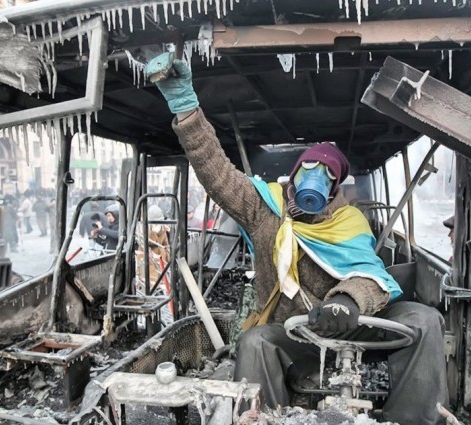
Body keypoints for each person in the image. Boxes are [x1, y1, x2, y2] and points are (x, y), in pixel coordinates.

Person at [147, 54, 448, 424]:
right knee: (254, 342)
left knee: (424, 319)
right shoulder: (264, 208)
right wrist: (187, 112)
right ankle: (263, 418)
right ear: (295, 172)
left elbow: (371, 274)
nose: (315, 178)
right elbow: (217, 174)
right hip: (297, 330)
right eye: (309, 167)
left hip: (354, 322)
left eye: (327, 174)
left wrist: (347, 301)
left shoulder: (349, 220)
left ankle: (412, 419)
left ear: (335, 187)